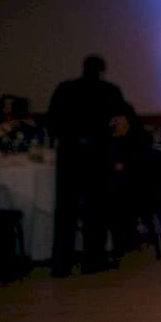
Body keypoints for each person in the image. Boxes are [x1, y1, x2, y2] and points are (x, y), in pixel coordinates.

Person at [45, 54, 130, 276]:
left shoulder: (65, 88)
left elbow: (51, 121)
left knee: (65, 210)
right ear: (101, 71)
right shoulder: (109, 91)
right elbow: (121, 125)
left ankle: (61, 263)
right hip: (97, 155)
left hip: (69, 153)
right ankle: (93, 260)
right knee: (97, 210)